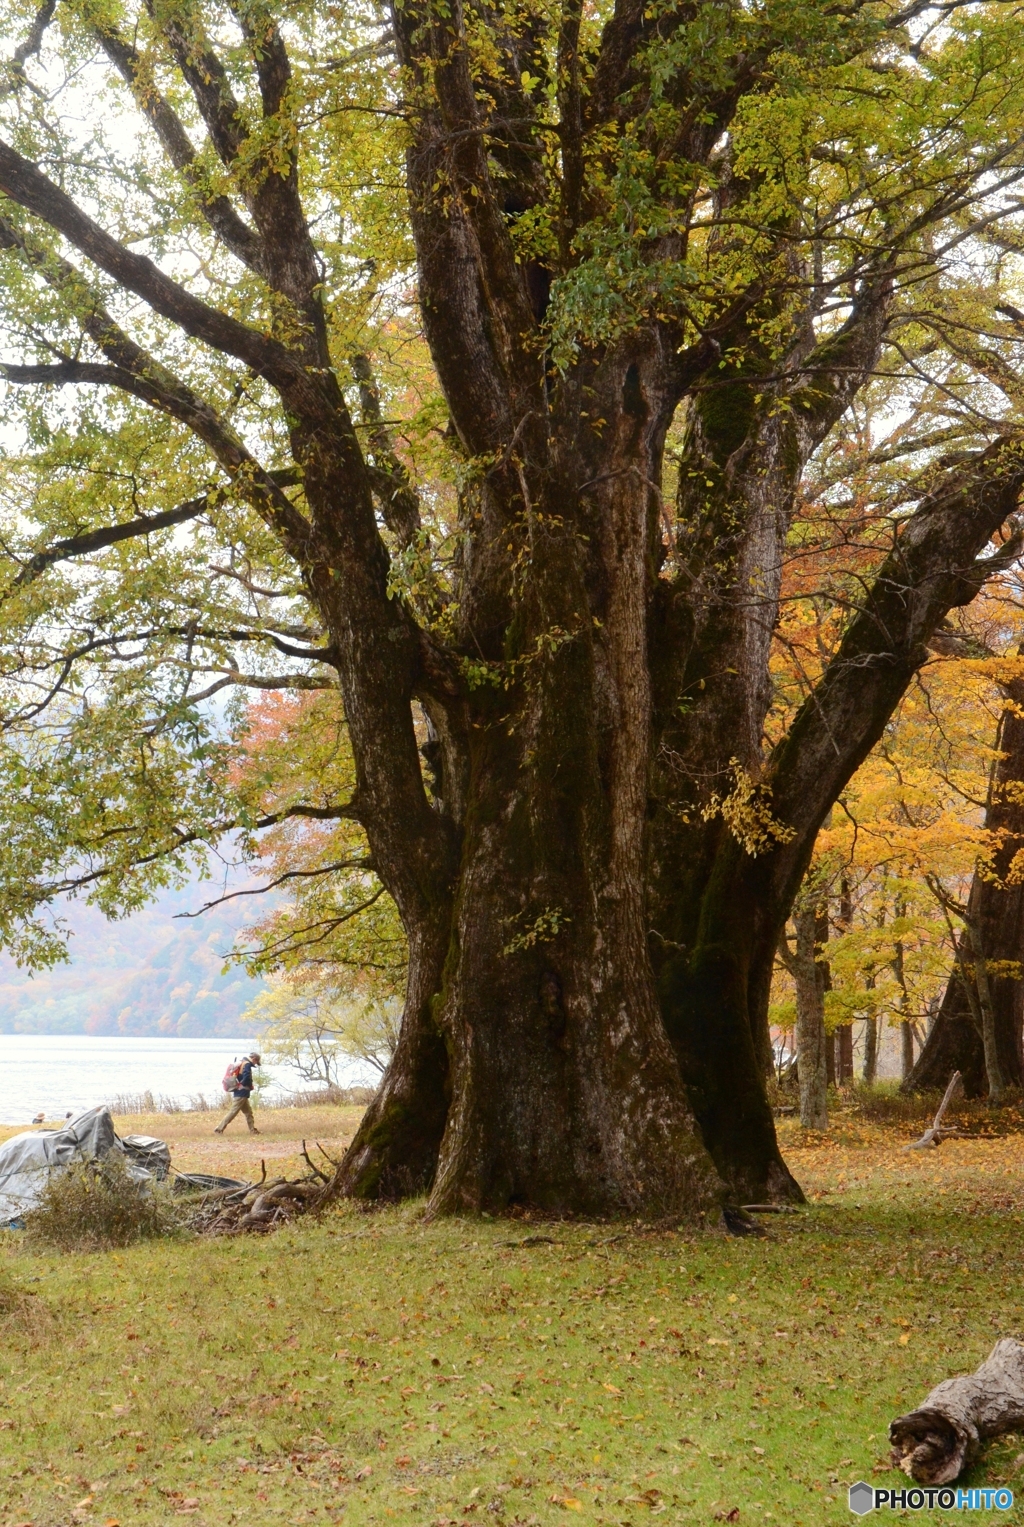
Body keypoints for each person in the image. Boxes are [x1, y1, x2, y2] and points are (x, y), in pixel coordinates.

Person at [214, 1053, 262, 1135]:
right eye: (256, 1062)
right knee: (233, 1112)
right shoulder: (247, 1064)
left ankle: (252, 1130)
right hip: (241, 1093)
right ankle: (219, 1129)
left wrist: (240, 1085)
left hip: (241, 1092)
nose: (255, 1064)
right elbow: (246, 1077)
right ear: (254, 1059)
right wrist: (242, 1084)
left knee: (248, 1113)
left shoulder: (242, 1062)